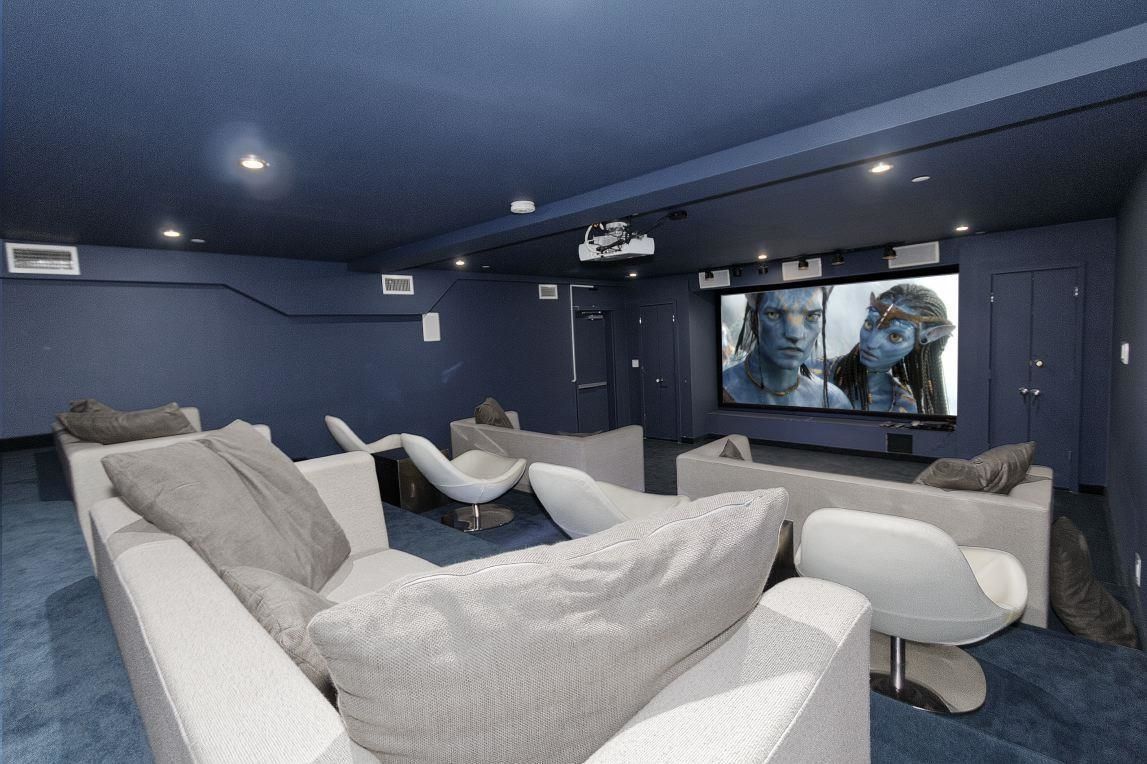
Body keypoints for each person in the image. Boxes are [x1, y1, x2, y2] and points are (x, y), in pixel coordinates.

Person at [830, 283, 955, 414]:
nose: (872, 343)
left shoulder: (904, 407)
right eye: (869, 324)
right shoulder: (818, 370)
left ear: (927, 337)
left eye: (895, 336)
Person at [722, 286, 852, 408]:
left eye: (811, 316)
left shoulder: (833, 401)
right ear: (754, 320)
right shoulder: (721, 388)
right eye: (774, 314)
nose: (795, 334)